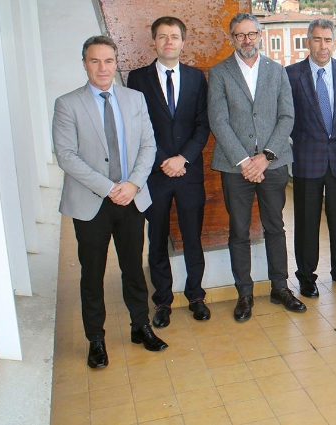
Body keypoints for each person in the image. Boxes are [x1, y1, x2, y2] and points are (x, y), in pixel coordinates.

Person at [53, 35, 167, 369]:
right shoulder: (67, 104)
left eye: (108, 61)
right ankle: (96, 340)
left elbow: (149, 145)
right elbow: (66, 156)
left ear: (117, 63)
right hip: (91, 202)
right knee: (93, 272)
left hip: (131, 198)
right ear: (85, 63)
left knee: (133, 267)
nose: (102, 68)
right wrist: (108, 187)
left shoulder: (135, 99)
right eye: (95, 61)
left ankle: (140, 326)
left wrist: (132, 184)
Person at [209, 13, 306, 322]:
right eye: (240, 35)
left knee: (275, 226)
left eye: (251, 34)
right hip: (234, 166)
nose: (246, 40)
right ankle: (245, 294)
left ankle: (280, 287)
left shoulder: (277, 72)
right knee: (238, 230)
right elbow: (218, 121)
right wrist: (243, 161)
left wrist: (265, 156)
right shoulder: (219, 73)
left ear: (260, 36)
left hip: (273, 163)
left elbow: (287, 117)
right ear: (231, 38)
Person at [127, 16, 211, 328]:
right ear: (154, 41)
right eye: (162, 37)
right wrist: (165, 160)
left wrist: (183, 158)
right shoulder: (138, 78)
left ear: (183, 42)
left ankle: (196, 297)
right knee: (158, 238)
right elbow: (138, 126)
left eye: (174, 37)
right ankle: (162, 301)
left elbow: (203, 125)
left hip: (189, 174)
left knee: (193, 238)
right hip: (155, 174)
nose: (168, 42)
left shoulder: (196, 77)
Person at [286, 18, 336, 298]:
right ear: (308, 41)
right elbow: (288, 117)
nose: (322, 45)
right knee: (306, 223)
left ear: (335, 43)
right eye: (317, 39)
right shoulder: (291, 74)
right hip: (308, 159)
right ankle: (306, 277)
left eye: (328, 40)